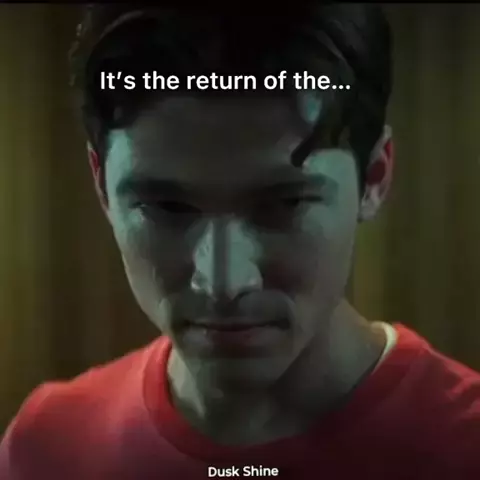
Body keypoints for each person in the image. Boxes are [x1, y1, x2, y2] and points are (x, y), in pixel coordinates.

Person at [1, 3, 480, 479]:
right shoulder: (48, 450)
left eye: (283, 204)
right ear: (102, 186)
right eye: (167, 208)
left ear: (373, 178)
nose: (223, 283)